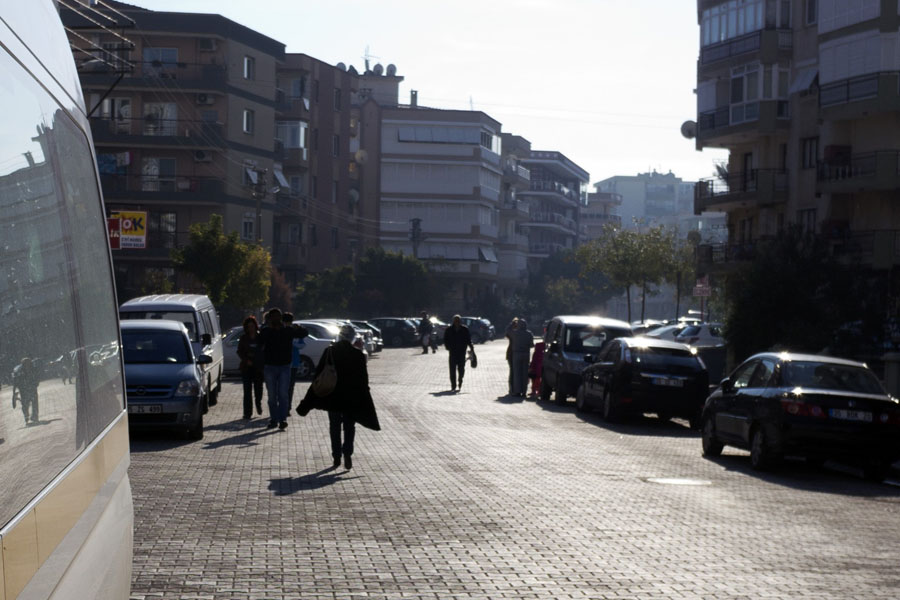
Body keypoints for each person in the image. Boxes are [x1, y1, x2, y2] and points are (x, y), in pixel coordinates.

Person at [297, 324, 380, 470]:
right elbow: (363, 380)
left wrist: (308, 401)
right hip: (351, 397)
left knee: (334, 426)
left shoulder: (330, 352)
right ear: (352, 338)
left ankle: (336, 456)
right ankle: (347, 452)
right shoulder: (358, 355)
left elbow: (319, 376)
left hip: (333, 396)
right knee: (349, 426)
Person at [259, 308, 309, 430]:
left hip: (284, 367)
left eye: (278, 317)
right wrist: (269, 328)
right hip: (270, 366)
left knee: (283, 394)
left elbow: (304, 333)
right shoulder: (266, 331)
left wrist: (296, 327)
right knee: (272, 396)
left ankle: (282, 419)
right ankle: (273, 419)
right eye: (273, 317)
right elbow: (260, 341)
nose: (276, 319)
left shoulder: (287, 331)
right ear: (270, 319)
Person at [237, 316, 264, 419]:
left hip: (258, 367)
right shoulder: (244, 338)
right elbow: (239, 351)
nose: (251, 328)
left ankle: (258, 403)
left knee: (258, 389)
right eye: (248, 327)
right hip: (246, 367)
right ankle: (247, 413)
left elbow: (263, 351)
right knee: (247, 391)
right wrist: (246, 360)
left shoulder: (260, 337)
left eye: (252, 326)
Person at [443, 314, 474, 392]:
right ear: (453, 321)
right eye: (455, 320)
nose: (457, 322)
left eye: (458, 320)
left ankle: (460, 381)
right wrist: (448, 347)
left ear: (460, 321)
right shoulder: (449, 330)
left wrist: (471, 347)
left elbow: (468, 339)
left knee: (461, 369)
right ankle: (453, 386)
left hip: (461, 352)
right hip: (452, 352)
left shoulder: (464, 329)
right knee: (452, 369)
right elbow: (445, 339)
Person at [509, 319, 535, 397]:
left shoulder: (514, 333)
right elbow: (532, 345)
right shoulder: (529, 334)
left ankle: (517, 391)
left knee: (517, 373)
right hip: (526, 354)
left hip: (516, 354)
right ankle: (524, 391)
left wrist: (513, 323)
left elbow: (507, 331)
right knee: (524, 374)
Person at [13, 357, 40, 425]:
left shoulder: (33, 369)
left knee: (34, 402)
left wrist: (36, 383)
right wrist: (15, 390)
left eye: (28, 363)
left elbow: (37, 377)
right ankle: (26, 415)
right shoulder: (19, 371)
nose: (27, 365)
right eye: (25, 364)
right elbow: (16, 381)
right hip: (23, 390)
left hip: (32, 388)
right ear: (23, 364)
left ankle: (35, 416)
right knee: (25, 404)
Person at [505, 318, 519, 394]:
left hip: (513, 353)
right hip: (511, 353)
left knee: (514, 371)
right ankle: (512, 387)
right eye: (515, 325)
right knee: (513, 371)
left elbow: (507, 332)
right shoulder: (512, 333)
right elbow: (507, 332)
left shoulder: (515, 333)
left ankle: (514, 388)